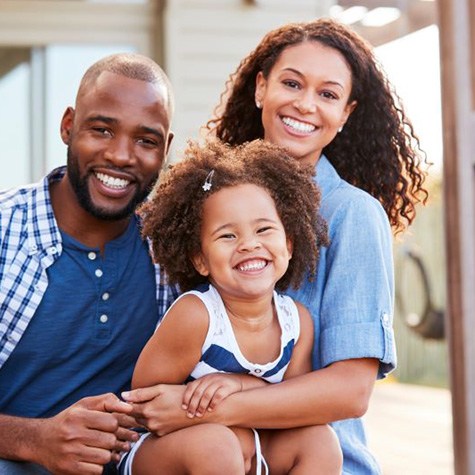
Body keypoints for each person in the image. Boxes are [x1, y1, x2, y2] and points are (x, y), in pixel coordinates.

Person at [123, 18, 430, 474]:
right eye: (291, 83)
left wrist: (211, 404)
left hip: (314, 457)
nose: (305, 104)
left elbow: (351, 390)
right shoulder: (211, 198)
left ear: (346, 113)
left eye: (328, 94)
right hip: (207, 453)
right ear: (261, 87)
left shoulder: (352, 215)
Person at [0, 53, 178, 474]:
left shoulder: (174, 249)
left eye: (146, 140)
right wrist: (37, 440)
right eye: (102, 129)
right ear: (67, 126)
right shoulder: (6, 232)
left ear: (165, 149)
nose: (120, 155)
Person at [119, 138, 340, 475]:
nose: (249, 244)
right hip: (167, 454)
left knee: (320, 440)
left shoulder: (297, 323)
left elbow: (293, 406)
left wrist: (240, 386)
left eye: (264, 229)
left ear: (289, 243)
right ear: (200, 259)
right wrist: (213, 415)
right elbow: (145, 404)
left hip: (252, 448)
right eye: (227, 236)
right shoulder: (197, 316)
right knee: (217, 446)